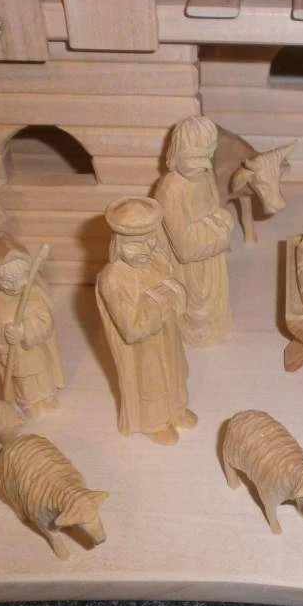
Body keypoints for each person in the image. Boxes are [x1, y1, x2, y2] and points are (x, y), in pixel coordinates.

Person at [96, 197, 197, 446]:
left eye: (149, 240)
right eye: (134, 245)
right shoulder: (113, 278)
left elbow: (177, 291)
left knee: (174, 371)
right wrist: (160, 300)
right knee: (151, 381)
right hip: (143, 348)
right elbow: (132, 329)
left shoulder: (157, 259)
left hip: (167, 334)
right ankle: (154, 423)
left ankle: (176, 410)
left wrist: (172, 294)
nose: (144, 250)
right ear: (117, 243)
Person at [154, 116, 234, 348]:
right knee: (194, 304)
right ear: (176, 153)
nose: (202, 165)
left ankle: (212, 330)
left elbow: (215, 208)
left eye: (207, 156)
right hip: (188, 266)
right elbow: (185, 248)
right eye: (193, 157)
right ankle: (194, 334)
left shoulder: (206, 175)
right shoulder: (171, 189)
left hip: (211, 258)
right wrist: (221, 226)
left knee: (213, 300)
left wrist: (218, 221)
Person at [0, 235, 64, 417]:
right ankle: (29, 403)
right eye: (6, 281)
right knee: (24, 382)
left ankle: (47, 397)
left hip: (36, 351)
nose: (13, 286)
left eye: (19, 278)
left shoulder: (35, 296)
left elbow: (46, 323)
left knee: (42, 376)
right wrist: (4, 349)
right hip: (17, 357)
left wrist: (25, 331)